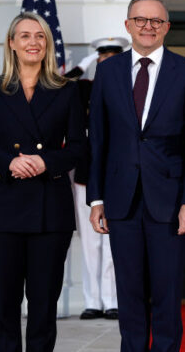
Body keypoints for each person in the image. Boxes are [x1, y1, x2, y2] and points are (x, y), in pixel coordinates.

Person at [86, 0, 185, 352]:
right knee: (129, 293)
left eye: (156, 21)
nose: (148, 27)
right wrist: (96, 199)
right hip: (120, 201)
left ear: (166, 28)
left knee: (167, 294)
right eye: (141, 20)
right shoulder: (108, 72)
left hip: (170, 204)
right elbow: (99, 139)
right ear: (128, 26)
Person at [0, 12, 85, 352]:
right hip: (3, 208)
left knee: (43, 305)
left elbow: (79, 147)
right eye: (25, 36)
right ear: (12, 44)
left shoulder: (66, 91)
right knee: (4, 303)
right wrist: (9, 163)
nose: (33, 42)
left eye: (40, 36)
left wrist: (46, 161)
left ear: (47, 45)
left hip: (50, 210)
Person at [65, 37, 129, 321]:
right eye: (103, 60)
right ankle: (93, 301)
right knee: (91, 243)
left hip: (117, 174)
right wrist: (84, 65)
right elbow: (59, 85)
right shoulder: (82, 89)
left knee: (115, 243)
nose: (107, 65)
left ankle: (113, 300)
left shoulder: (128, 87)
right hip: (85, 174)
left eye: (113, 59)